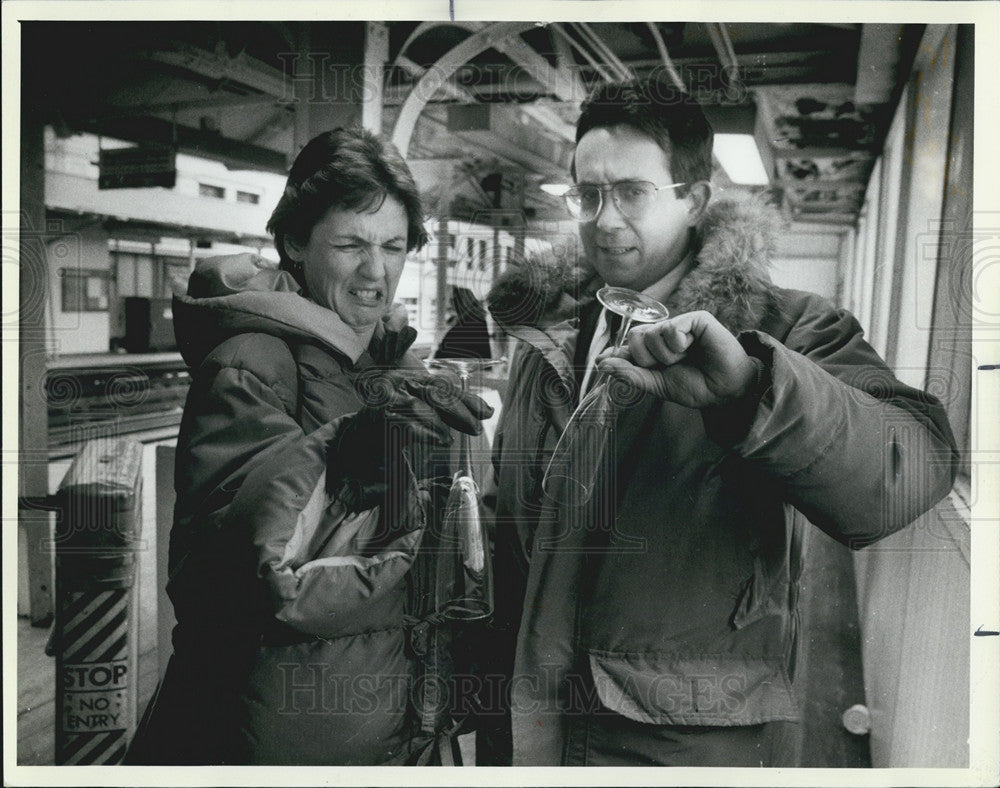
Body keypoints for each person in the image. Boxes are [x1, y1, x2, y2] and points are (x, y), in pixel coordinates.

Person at [483, 77, 959, 766]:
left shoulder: (785, 328)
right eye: (586, 194)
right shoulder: (549, 331)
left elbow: (908, 467)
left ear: (695, 199)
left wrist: (749, 390)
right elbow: (508, 517)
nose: (603, 218)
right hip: (530, 711)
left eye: (630, 192)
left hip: (675, 733)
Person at [126, 127, 492, 765]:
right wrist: (355, 444)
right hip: (272, 733)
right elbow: (232, 554)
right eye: (350, 243)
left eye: (394, 246)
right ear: (295, 241)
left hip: (386, 723)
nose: (375, 271)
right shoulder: (250, 360)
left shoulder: (390, 368)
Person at [433, 286, 493, 360]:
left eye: (452, 300)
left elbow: (443, 355)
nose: (448, 304)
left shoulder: (470, 325)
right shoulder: (473, 321)